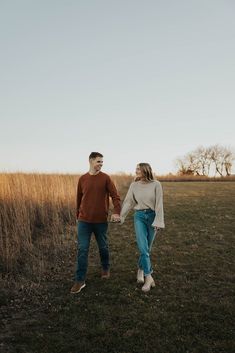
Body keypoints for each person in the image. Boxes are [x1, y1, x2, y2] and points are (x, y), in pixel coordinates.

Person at [70, 152, 121, 294]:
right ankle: (80, 280)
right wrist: (77, 215)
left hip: (100, 221)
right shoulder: (82, 179)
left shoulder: (105, 178)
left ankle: (105, 267)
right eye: (98, 161)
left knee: (103, 247)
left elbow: (115, 196)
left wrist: (116, 212)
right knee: (82, 249)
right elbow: (79, 199)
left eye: (102, 162)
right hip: (84, 221)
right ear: (91, 161)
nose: (101, 164)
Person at [120, 163, 165, 292]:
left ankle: (140, 269)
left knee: (147, 248)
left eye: (138, 169)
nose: (136, 170)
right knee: (143, 247)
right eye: (136, 168)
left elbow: (159, 203)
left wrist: (158, 221)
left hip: (152, 217)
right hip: (139, 217)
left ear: (145, 170)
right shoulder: (134, 185)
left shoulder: (156, 184)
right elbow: (129, 201)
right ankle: (148, 276)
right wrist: (122, 216)